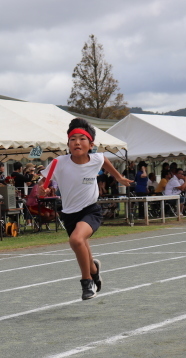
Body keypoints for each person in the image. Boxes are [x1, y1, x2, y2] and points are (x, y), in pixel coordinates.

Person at [38, 118, 131, 300]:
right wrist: (44, 188)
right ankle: (94, 270)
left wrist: (118, 177)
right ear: (68, 144)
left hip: (90, 210)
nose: (77, 142)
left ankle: (87, 282)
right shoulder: (59, 162)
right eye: (73, 139)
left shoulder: (96, 158)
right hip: (68, 213)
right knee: (81, 244)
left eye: (82, 139)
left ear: (91, 144)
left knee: (76, 240)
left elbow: (105, 161)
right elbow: (44, 182)